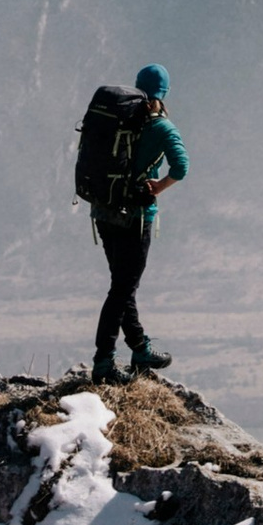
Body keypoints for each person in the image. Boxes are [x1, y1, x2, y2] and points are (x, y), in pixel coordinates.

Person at [82, 60, 187, 381]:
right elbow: (181, 166)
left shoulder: (117, 119)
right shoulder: (160, 127)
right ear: (164, 93)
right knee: (123, 289)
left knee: (122, 286)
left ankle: (140, 348)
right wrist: (160, 186)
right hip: (135, 218)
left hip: (102, 210)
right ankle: (104, 363)